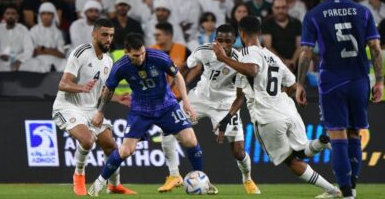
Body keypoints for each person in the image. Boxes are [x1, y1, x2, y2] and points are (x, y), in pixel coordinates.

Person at [212, 15, 342, 198]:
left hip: (267, 117)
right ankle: (323, 141)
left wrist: (223, 58)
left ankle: (332, 190)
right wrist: (227, 119)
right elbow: (290, 85)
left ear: (241, 33)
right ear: (259, 33)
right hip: (288, 110)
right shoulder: (272, 56)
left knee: (291, 161)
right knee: (302, 151)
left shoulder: (246, 54)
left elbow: (252, 70)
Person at [87, 33, 217, 196]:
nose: (141, 58)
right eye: (136, 55)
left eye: (142, 53)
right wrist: (99, 111)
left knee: (190, 140)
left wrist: (187, 102)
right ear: (127, 53)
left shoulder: (158, 57)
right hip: (141, 110)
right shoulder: (120, 67)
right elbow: (108, 90)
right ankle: (100, 182)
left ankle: (202, 179)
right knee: (126, 150)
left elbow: (177, 76)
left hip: (166, 105)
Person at [296, 0, 383, 198]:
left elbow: (306, 52)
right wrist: (380, 81)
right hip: (360, 80)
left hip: (332, 82)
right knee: (355, 134)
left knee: (337, 135)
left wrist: (299, 83)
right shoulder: (363, 11)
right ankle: (351, 189)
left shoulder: (314, 14)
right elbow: (375, 47)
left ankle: (345, 191)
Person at [157, 24, 260, 194]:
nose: (224, 44)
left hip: (226, 105)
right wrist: (169, 89)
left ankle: (247, 179)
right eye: (220, 40)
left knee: (239, 151)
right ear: (215, 40)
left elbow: (240, 97)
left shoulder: (240, 60)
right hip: (199, 98)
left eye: (228, 41)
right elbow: (182, 68)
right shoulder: (203, 50)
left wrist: (226, 119)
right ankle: (174, 175)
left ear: (234, 41)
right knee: (167, 126)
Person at [52, 18, 136, 196]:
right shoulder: (81, 52)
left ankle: (114, 185)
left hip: (90, 109)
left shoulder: (108, 61)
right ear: (94, 34)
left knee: (111, 147)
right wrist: (81, 87)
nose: (108, 39)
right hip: (68, 106)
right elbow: (63, 84)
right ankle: (79, 177)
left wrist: (118, 98)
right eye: (104, 34)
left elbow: (101, 92)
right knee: (88, 140)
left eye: (111, 35)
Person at [20, 2, 66, 73]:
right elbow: (33, 52)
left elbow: (61, 54)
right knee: (26, 64)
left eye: (48, 14)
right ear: (40, 15)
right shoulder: (34, 30)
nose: (46, 16)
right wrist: (52, 50)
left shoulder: (58, 32)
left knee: (66, 64)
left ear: (53, 16)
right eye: (43, 14)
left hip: (56, 60)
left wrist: (43, 49)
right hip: (38, 60)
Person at [149, 22, 191, 100]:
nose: (156, 37)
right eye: (155, 35)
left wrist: (187, 82)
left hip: (179, 96)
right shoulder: (150, 51)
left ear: (168, 35)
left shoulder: (182, 49)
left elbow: (195, 65)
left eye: (158, 35)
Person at [261, 0, 302, 72]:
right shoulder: (266, 23)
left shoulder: (297, 23)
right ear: (272, 8)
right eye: (277, 8)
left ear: (288, 8)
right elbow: (268, 47)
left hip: (294, 62)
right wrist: (283, 62)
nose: (280, 11)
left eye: (283, 7)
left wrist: (293, 61)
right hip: (274, 62)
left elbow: (299, 46)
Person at [0, 4, 34, 72]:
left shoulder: (23, 29)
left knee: (33, 64)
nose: (10, 16)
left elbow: (29, 49)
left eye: (13, 14)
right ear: (4, 16)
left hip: (18, 58)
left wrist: (20, 60)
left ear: (17, 16)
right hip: (0, 59)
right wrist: (0, 55)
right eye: (8, 13)